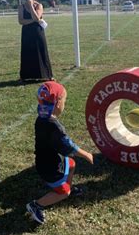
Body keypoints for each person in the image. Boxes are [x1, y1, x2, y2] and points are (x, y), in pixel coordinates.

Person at [26, 81, 94, 224]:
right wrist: (86, 154)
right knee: (64, 192)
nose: (65, 104)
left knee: (72, 163)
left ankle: (66, 187)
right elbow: (68, 146)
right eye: (64, 101)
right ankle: (36, 205)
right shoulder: (53, 125)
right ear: (57, 104)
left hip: (50, 159)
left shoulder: (41, 118)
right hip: (49, 167)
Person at [17, 0, 53, 85]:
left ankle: (47, 75)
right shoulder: (21, 7)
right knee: (27, 52)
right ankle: (25, 76)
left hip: (37, 31)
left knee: (41, 51)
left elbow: (37, 17)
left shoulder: (39, 5)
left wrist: (31, 6)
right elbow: (21, 21)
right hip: (27, 32)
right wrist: (34, 20)